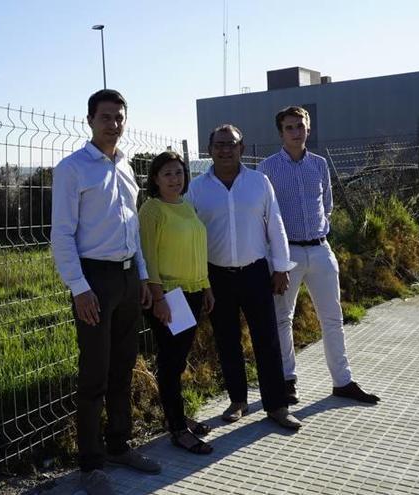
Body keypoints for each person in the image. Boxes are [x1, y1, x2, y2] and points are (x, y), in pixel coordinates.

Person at [51, 89, 160, 495]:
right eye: (105, 117)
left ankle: (118, 445)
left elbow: (131, 228)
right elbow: (61, 235)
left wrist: (144, 278)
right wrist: (79, 288)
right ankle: (91, 466)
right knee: (94, 375)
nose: (113, 123)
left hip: (129, 278)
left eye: (119, 117)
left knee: (122, 369)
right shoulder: (73, 169)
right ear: (90, 120)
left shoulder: (127, 167)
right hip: (94, 281)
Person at [257, 106, 380, 405]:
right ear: (281, 133)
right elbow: (263, 216)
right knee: (282, 319)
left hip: (321, 249)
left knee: (333, 318)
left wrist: (319, 234)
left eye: (300, 126)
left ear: (308, 129)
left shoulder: (320, 165)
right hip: (287, 253)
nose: (296, 132)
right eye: (289, 127)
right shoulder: (267, 168)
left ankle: (342, 381)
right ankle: (287, 380)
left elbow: (327, 205)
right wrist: (277, 258)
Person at [185, 124, 302, 430]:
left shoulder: (259, 182)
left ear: (241, 147)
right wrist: (200, 280)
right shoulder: (197, 188)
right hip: (216, 276)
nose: (225, 149)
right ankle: (238, 401)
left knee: (267, 339)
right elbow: (190, 236)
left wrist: (280, 267)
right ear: (209, 150)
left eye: (231, 144)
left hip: (255, 272)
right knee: (227, 340)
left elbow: (275, 224)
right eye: (219, 144)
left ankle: (277, 405)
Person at [139, 151, 215, 455]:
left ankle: (178, 416)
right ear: (155, 179)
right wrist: (158, 298)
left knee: (178, 359)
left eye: (179, 173)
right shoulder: (152, 210)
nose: (175, 179)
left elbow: (198, 247)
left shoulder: (187, 205)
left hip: (194, 291)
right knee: (171, 363)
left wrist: (207, 286)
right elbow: (148, 257)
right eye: (167, 174)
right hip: (170, 295)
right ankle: (178, 429)